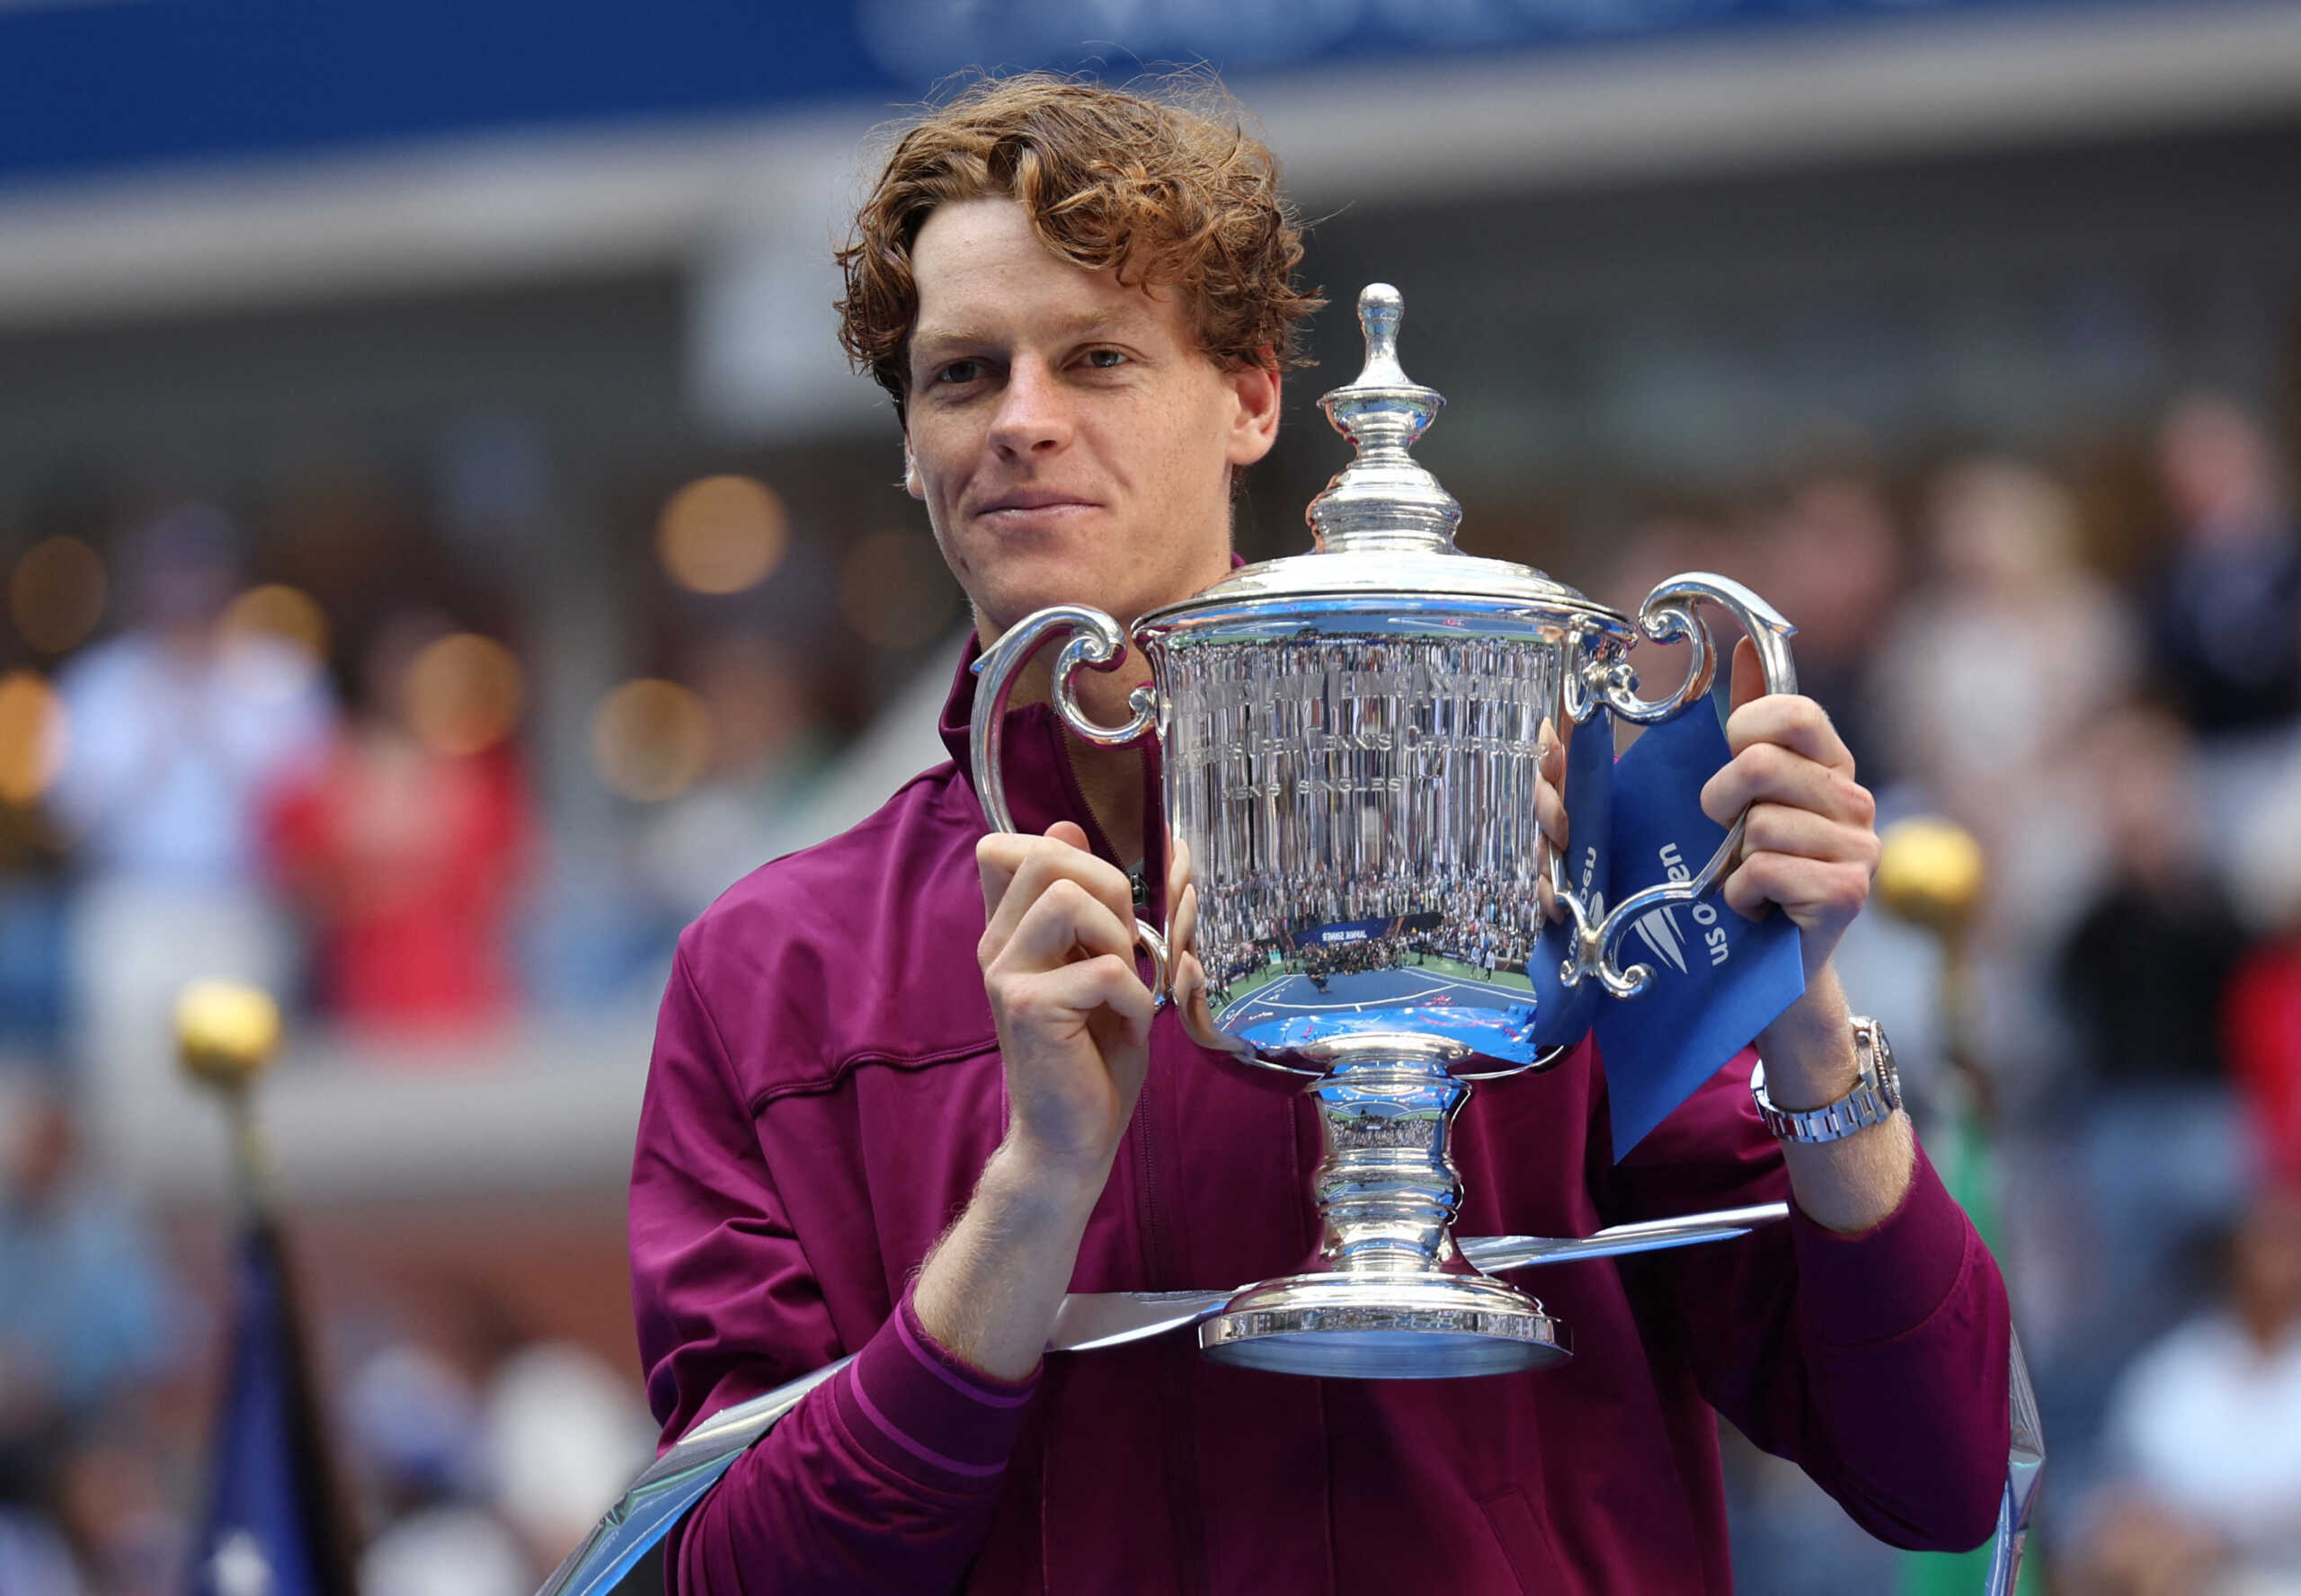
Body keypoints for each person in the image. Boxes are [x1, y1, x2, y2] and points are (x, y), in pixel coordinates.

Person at [628, 74, 2012, 1592]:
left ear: (1250, 398)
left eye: (1097, 357)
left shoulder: (1548, 838)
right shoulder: (771, 975)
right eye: (963, 374)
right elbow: (724, 1580)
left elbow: (1933, 1466)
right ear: (908, 441)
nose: (1023, 420)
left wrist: (1798, 1014)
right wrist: (1030, 1198)